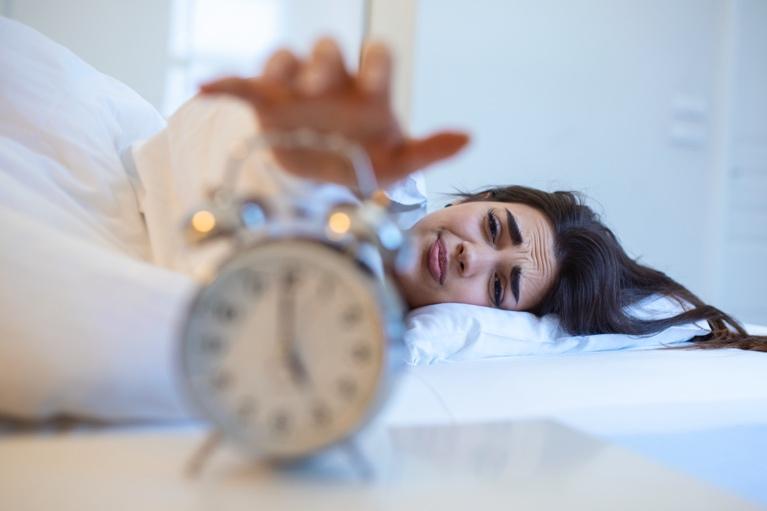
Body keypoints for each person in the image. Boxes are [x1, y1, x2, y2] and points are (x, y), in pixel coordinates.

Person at [203, 39, 766, 352]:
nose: (474, 255)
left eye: (499, 286)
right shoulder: (373, 181)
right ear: (477, 198)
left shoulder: (393, 340)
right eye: (494, 227)